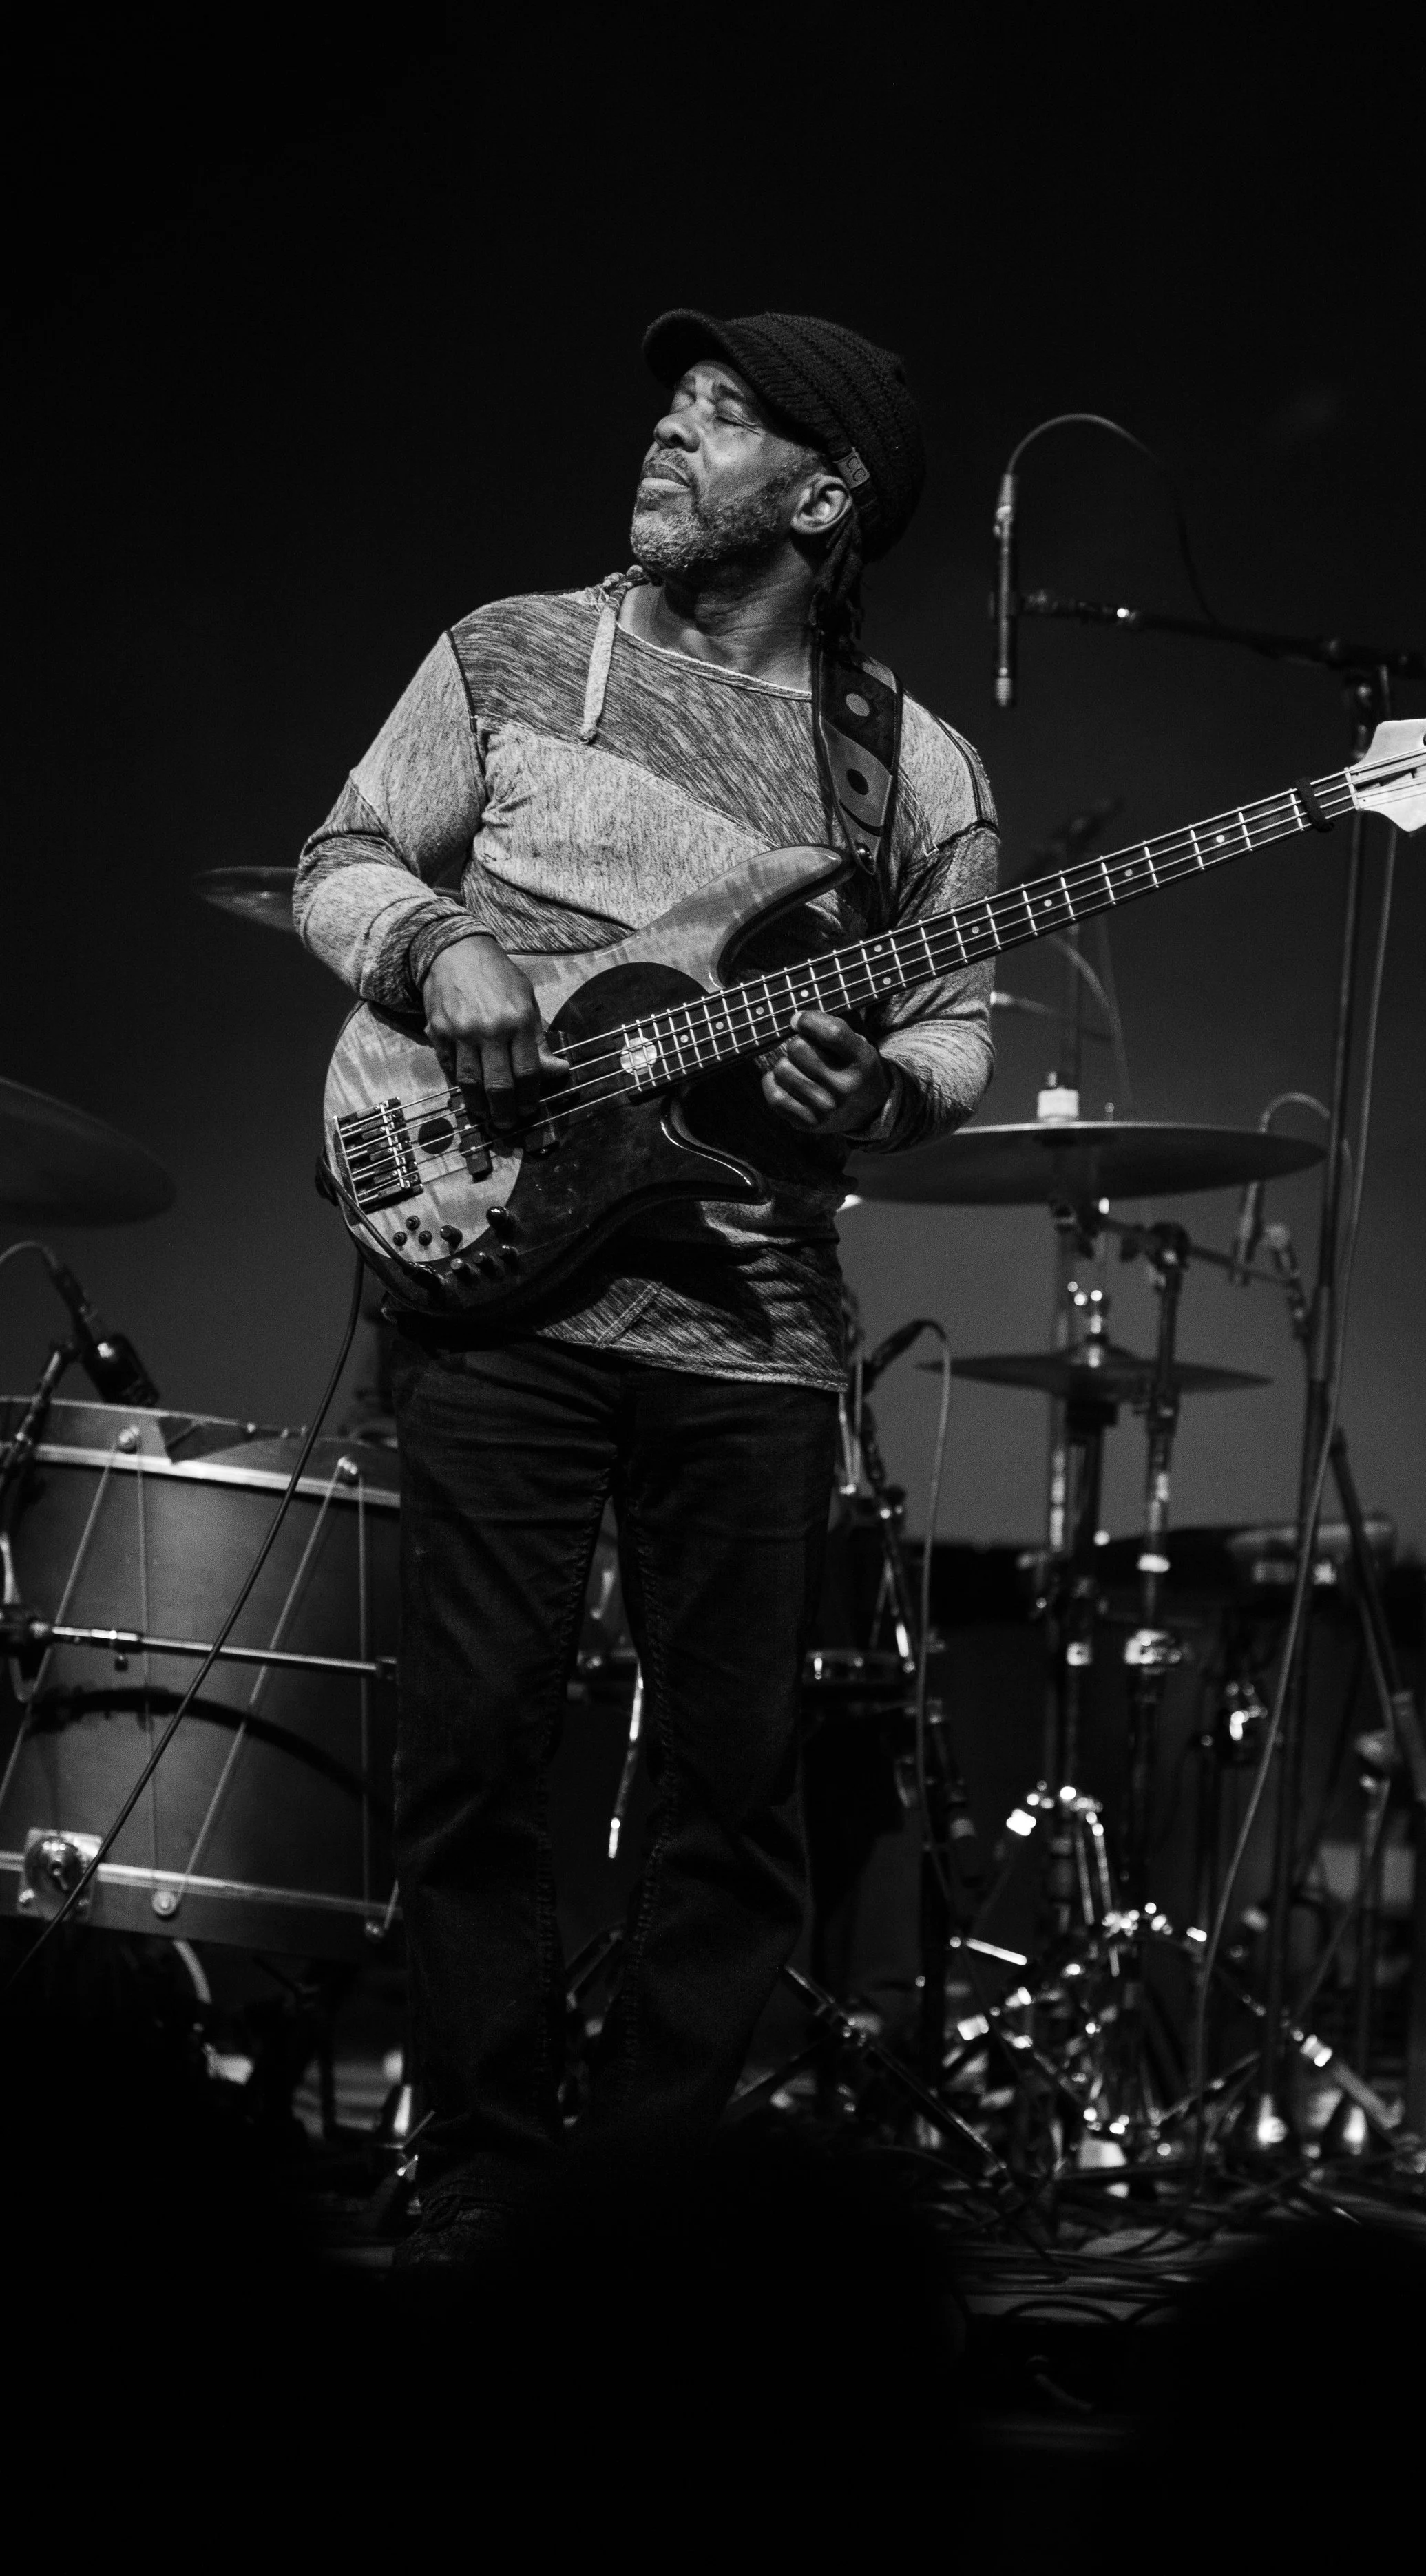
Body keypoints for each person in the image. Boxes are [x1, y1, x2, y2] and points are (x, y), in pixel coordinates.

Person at [294, 308, 999, 2261]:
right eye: (671, 407)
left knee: (735, 1794)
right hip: (497, 1273)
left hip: (751, 1325)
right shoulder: (509, 651)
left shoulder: (903, 765)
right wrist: (441, 952)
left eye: (725, 418)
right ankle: (486, 2180)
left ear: (826, 496)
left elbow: (955, 1034)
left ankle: (643, 2212)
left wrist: (877, 1093)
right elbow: (341, 859)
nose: (669, 436)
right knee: (474, 1757)